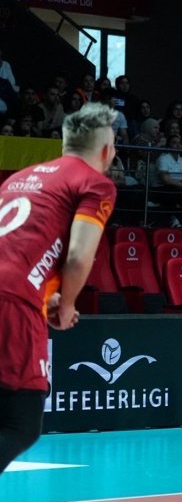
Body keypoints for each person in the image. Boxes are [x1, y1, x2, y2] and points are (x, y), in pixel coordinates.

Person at [0, 103, 117, 475]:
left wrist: (47, 294)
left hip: (18, 293)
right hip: (11, 301)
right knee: (20, 422)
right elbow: (80, 256)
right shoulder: (94, 183)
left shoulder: (18, 178)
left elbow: (21, 246)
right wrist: (66, 305)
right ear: (106, 151)